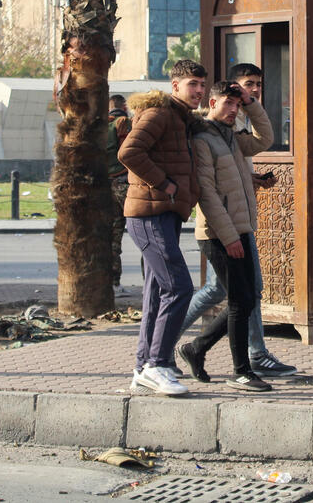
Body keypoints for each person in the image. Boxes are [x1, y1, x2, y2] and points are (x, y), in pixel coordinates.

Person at [178, 63, 296, 378]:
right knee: (240, 298)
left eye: (254, 88)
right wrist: (230, 236)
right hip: (221, 231)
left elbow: (264, 139)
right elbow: (209, 193)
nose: (241, 100)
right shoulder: (205, 136)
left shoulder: (230, 133)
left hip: (240, 226)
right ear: (211, 101)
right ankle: (244, 364)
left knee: (240, 296)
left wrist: (250, 104)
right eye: (244, 88)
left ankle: (200, 349)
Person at [118, 60, 206, 395]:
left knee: (157, 292)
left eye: (201, 84)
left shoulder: (183, 119)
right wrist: (167, 185)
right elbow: (129, 152)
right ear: (175, 85)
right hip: (148, 213)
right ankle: (157, 364)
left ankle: (145, 365)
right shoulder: (160, 113)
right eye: (192, 84)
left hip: (164, 214)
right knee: (179, 286)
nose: (197, 91)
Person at [107, 94, 132, 290]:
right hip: (124, 183)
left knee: (113, 238)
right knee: (148, 234)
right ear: (124, 106)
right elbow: (130, 151)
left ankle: (113, 283)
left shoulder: (101, 127)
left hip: (106, 185)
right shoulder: (124, 122)